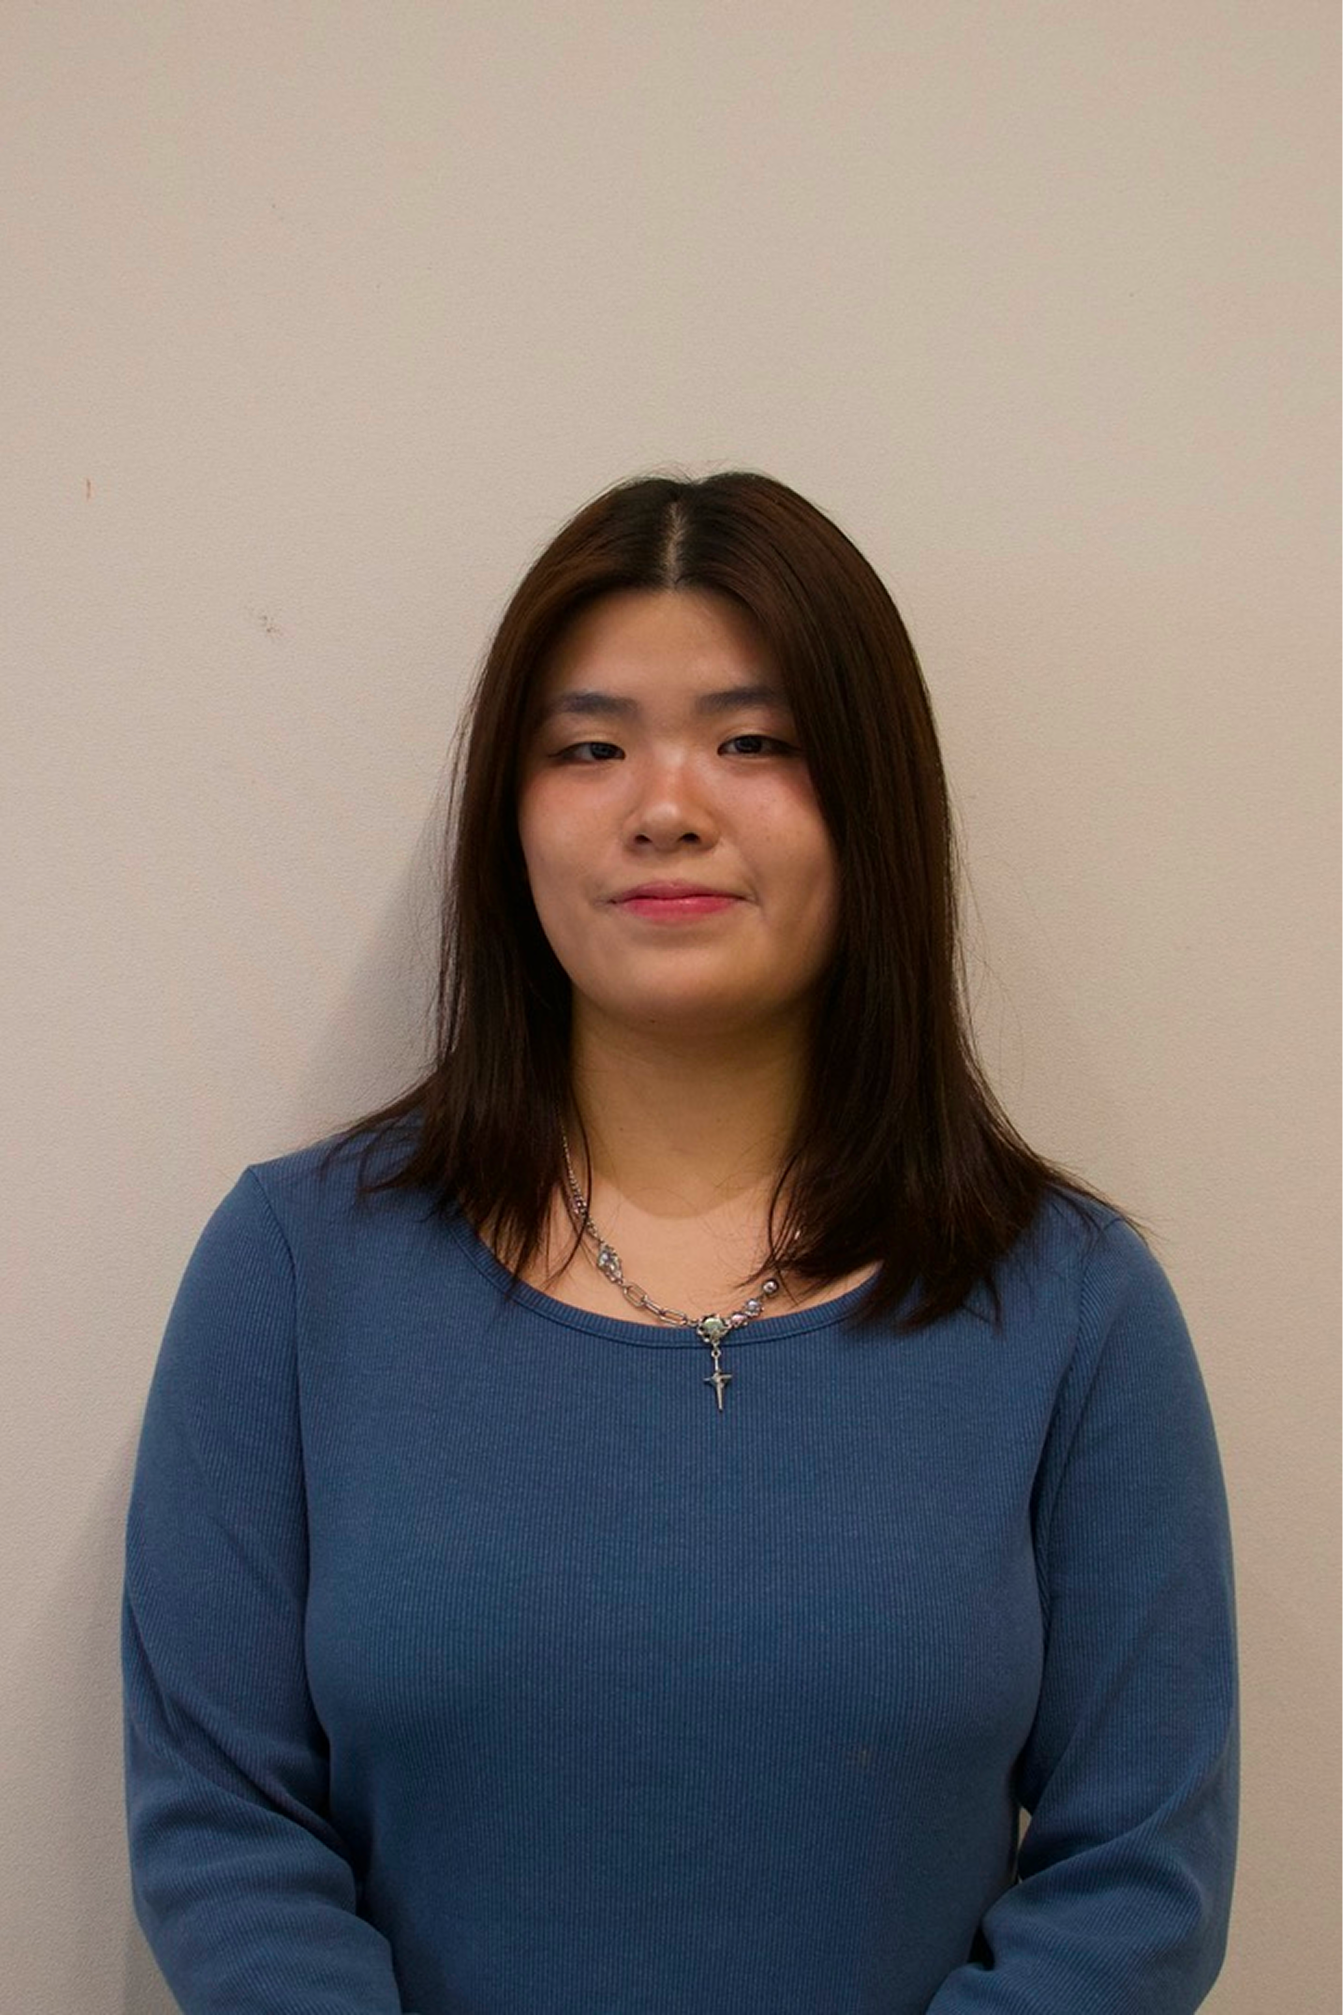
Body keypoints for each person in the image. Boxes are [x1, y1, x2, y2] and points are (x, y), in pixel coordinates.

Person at [121, 469, 1238, 2014]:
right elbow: (220, 1826)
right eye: (587, 745)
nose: (665, 801)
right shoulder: (295, 1271)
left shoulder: (1069, 1304)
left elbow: (1138, 1876)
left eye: (752, 741)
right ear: (508, 816)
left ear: (871, 800)